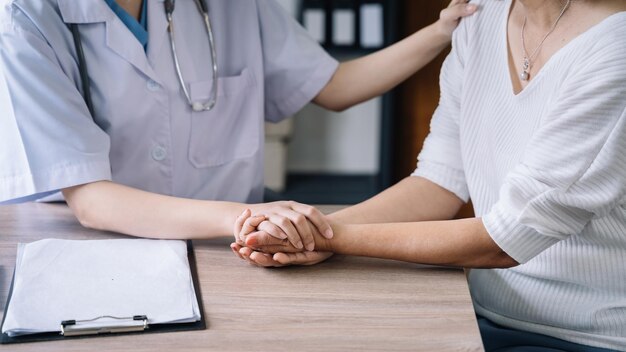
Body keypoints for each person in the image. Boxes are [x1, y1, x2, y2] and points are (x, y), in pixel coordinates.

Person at [233, 0, 626, 350]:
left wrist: (328, 238)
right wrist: (301, 231)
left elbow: (507, 239)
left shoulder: (614, 47)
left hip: (587, 333)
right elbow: (438, 180)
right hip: (484, 315)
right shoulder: (481, 16)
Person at [0, 0, 477, 249]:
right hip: (88, 249)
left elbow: (334, 86)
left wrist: (441, 32)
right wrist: (247, 219)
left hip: (230, 249)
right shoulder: (25, 17)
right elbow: (92, 202)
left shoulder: (230, 4)